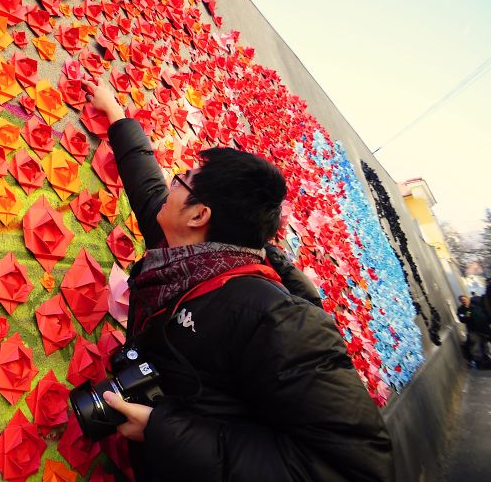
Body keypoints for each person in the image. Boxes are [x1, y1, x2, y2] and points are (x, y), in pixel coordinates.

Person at [83, 80, 393, 481]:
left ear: (199, 216)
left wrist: (164, 431)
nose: (171, 183)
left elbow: (353, 471)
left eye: (181, 180)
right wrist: (116, 115)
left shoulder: (277, 321)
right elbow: (148, 187)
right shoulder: (185, 251)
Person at [457, 295, 473, 363]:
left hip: (481, 326)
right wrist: (467, 313)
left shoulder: (473, 305)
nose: (464, 301)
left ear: (467, 299)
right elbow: (462, 317)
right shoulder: (460, 309)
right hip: (471, 328)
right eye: (462, 300)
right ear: (460, 302)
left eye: (464, 299)